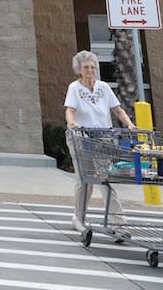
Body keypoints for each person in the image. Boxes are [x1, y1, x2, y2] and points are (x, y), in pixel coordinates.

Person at [64, 49, 135, 233]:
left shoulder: (103, 87)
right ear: (79, 70)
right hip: (82, 138)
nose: (90, 70)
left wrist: (130, 125)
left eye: (93, 67)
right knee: (84, 180)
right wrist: (71, 123)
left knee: (105, 179)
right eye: (86, 67)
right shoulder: (75, 88)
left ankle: (119, 224)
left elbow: (117, 110)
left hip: (103, 139)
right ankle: (78, 218)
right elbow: (70, 109)